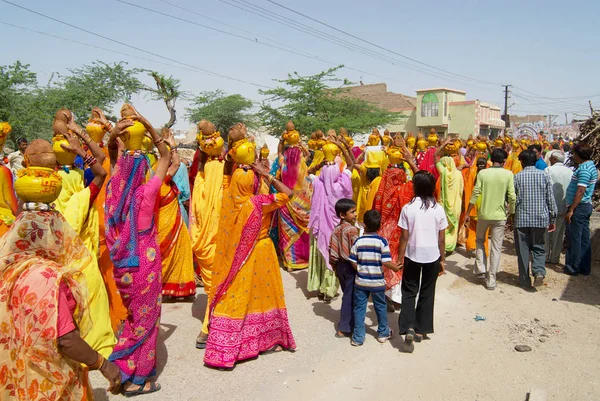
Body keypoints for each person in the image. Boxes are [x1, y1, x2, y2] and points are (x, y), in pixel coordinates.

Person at [0, 140, 121, 400]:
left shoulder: (7, 267)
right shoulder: (48, 279)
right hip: (46, 384)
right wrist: (104, 364)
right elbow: (65, 339)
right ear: (56, 234)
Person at [204, 134, 296, 368]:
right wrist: (267, 175)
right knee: (264, 298)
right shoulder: (258, 203)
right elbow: (288, 194)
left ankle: (231, 343)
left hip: (237, 256)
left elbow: (227, 175)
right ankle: (267, 339)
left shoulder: (229, 196)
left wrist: (237, 163)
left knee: (240, 297)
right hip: (261, 252)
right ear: (253, 181)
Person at [105, 105, 171, 395]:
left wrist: (114, 141)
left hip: (122, 266)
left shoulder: (113, 197)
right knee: (146, 323)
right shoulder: (147, 193)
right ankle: (137, 379)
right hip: (145, 265)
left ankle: (125, 368)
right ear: (143, 170)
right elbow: (166, 157)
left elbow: (111, 162)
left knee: (133, 318)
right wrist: (148, 125)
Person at [397, 171, 447, 353]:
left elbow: (404, 237)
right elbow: (442, 239)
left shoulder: (408, 208)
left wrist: (399, 257)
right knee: (427, 291)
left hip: (412, 254)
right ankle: (421, 330)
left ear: (415, 187)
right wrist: (443, 259)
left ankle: (408, 326)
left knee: (409, 291)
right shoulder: (438, 209)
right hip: (432, 255)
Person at [190, 120, 224, 348]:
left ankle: (208, 325)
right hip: (209, 236)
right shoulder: (205, 175)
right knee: (215, 282)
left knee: (216, 283)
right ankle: (213, 322)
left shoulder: (208, 173)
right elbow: (198, 210)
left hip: (218, 234)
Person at [307, 138, 353, 303]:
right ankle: (329, 289)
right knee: (332, 255)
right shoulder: (342, 184)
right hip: (333, 228)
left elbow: (308, 171)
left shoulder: (317, 182)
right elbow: (352, 166)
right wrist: (343, 149)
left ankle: (320, 287)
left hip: (320, 227)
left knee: (320, 255)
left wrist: (321, 165)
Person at [372, 135, 416, 308]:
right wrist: (411, 162)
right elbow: (418, 180)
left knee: (385, 259)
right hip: (399, 230)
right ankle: (394, 295)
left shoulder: (380, 189)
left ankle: (385, 293)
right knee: (398, 260)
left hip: (384, 229)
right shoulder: (404, 190)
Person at [465, 149, 516, 290]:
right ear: (504, 161)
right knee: (496, 247)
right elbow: (512, 196)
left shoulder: (483, 173)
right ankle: (491, 279)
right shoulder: (508, 174)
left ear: (491, 159)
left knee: (480, 240)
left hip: (483, 214)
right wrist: (512, 213)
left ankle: (481, 268)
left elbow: (475, 193)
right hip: (499, 216)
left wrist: (468, 212)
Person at [348, 210, 398, 346]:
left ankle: (358, 337)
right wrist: (394, 267)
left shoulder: (358, 241)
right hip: (377, 282)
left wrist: (359, 269)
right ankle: (383, 333)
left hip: (361, 281)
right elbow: (386, 261)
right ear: (380, 225)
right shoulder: (382, 242)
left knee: (359, 308)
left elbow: (352, 260)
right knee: (380, 306)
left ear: (364, 224)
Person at [158, 130, 195, 299]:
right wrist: (173, 145)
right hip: (171, 218)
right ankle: (178, 288)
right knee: (178, 251)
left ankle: (164, 287)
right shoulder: (163, 176)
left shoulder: (153, 173)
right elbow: (177, 163)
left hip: (162, 219)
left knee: (170, 253)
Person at [513, 150, 557, 289]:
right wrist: (553, 218)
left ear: (522, 162)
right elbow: (550, 198)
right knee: (538, 247)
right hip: (540, 218)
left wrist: (510, 215)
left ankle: (524, 280)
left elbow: (512, 199)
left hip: (522, 219)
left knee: (522, 249)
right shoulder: (544, 175)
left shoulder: (517, 177)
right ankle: (538, 271)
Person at [564, 144, 598, 276]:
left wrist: (571, 209)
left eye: (574, 154)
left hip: (579, 207)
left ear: (579, 155)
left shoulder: (584, 169)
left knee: (574, 238)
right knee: (584, 238)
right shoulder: (590, 167)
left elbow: (581, 191)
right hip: (585, 206)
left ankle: (573, 266)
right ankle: (584, 267)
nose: (573, 156)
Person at [329, 198, 359, 338]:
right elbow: (356, 250)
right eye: (352, 212)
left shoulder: (335, 230)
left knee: (347, 293)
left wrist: (334, 267)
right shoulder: (352, 230)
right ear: (342, 215)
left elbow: (332, 250)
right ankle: (344, 327)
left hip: (340, 265)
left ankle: (350, 322)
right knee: (349, 296)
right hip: (350, 266)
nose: (355, 214)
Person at [435, 139, 464, 253]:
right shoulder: (459, 174)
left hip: (443, 205)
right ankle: (449, 247)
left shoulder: (443, 172)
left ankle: (442, 246)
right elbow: (462, 190)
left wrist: (444, 144)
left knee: (442, 227)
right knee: (452, 227)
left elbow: (435, 156)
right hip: (456, 206)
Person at [545, 151, 573, 264]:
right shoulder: (570, 172)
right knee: (559, 233)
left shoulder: (548, 170)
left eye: (551, 158)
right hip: (564, 205)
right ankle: (555, 257)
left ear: (554, 159)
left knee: (546, 232)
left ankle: (546, 256)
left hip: (549, 206)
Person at [462, 157, 488, 253]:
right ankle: (484, 250)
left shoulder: (471, 172)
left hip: (472, 206)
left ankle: (471, 245)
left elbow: (467, 188)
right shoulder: (487, 175)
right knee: (484, 231)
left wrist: (467, 210)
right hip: (484, 208)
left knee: (472, 229)